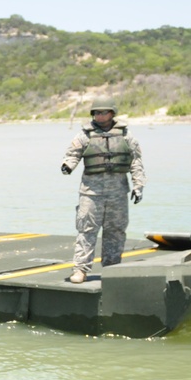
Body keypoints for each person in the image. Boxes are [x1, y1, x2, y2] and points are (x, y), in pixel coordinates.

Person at [61, 95, 146, 284]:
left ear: (112, 113)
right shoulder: (85, 135)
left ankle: (112, 268)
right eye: (96, 112)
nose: (99, 116)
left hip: (117, 192)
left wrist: (138, 186)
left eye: (103, 112)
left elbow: (136, 162)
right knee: (86, 230)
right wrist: (68, 165)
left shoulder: (126, 135)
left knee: (115, 231)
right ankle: (81, 269)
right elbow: (73, 153)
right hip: (91, 192)